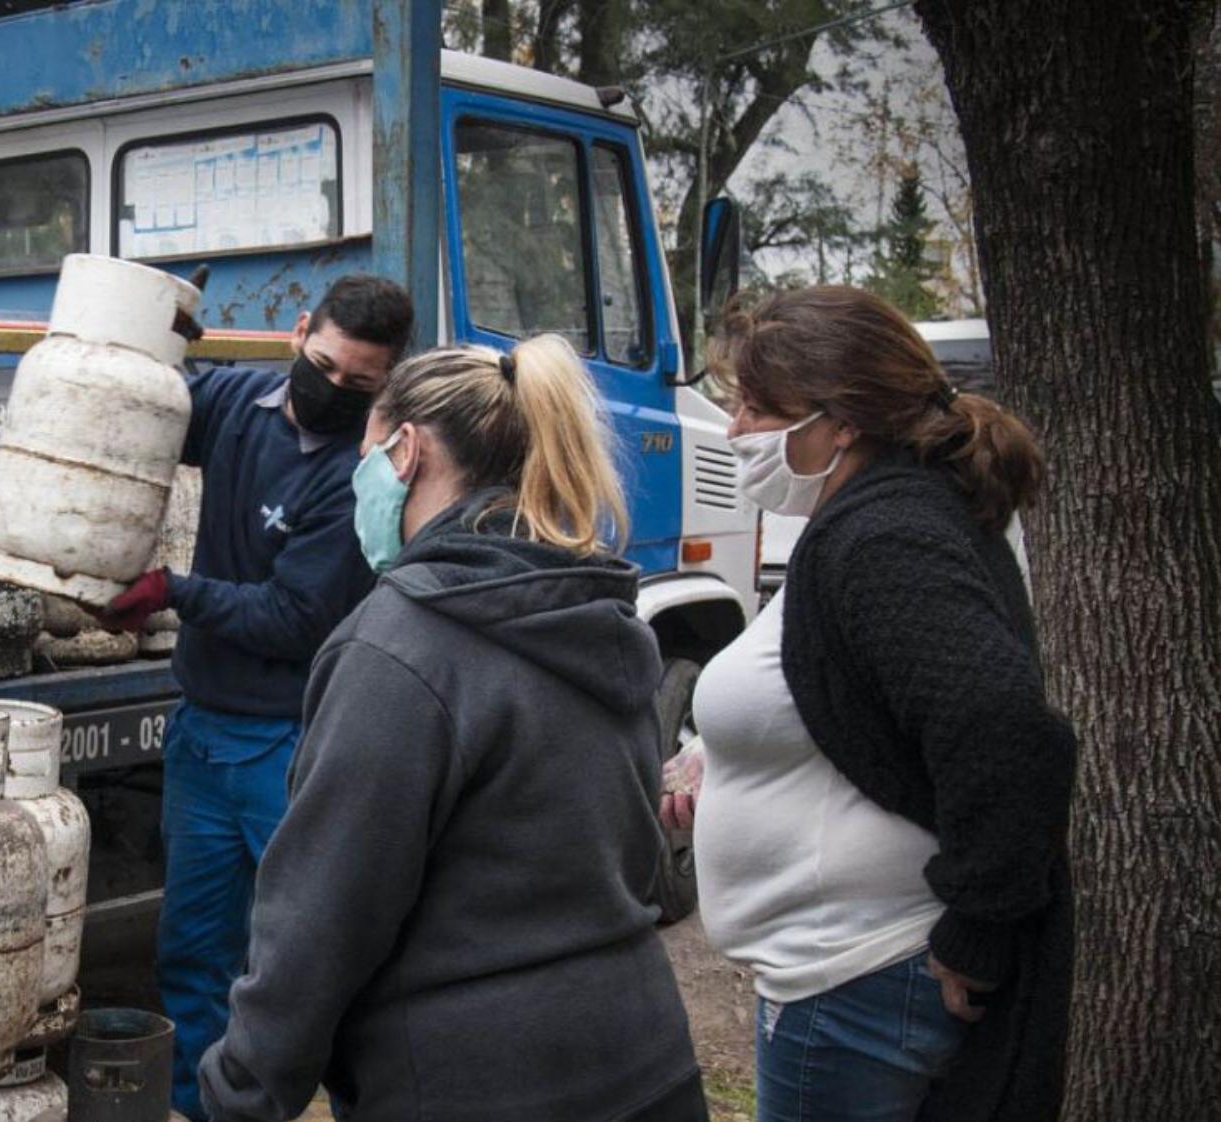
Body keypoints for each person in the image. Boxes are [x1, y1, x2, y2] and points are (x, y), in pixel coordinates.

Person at [195, 336, 709, 1122]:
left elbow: (322, 917)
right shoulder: (597, 608)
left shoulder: (399, 645)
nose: (353, 475)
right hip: (644, 1061)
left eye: (363, 451)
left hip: (472, 1083)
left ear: (404, 451)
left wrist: (241, 1092)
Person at [661, 286, 1076, 1122]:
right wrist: (727, 755)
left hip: (858, 978)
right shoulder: (868, 515)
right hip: (847, 977)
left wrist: (977, 927)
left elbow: (1004, 730)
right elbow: (854, 692)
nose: (733, 430)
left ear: (839, 421)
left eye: (752, 408)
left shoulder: (886, 536)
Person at [96, 274, 414, 1122]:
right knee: (192, 951)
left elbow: (293, 617)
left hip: (291, 746)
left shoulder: (361, 479)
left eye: (360, 384)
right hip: (202, 735)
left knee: (308, 962)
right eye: (324, 365)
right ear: (299, 330)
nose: (334, 390)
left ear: (387, 382)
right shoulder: (236, 399)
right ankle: (197, 1109)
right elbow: (146, 413)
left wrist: (172, 589)